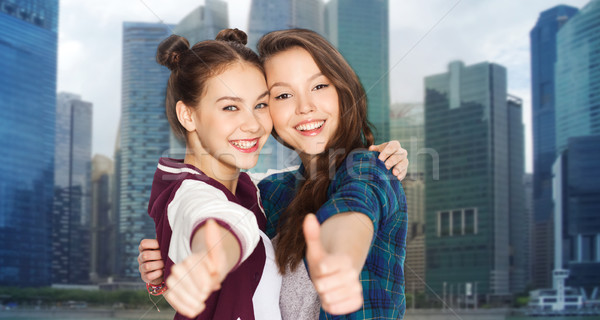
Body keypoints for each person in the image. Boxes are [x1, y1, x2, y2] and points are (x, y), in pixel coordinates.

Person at [140, 29, 408, 319]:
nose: (305, 107)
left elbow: (354, 212)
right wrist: (177, 264)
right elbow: (214, 220)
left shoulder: (368, 170)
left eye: (319, 87)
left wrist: (341, 259)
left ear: (344, 89)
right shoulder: (271, 192)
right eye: (282, 95)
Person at [148, 29, 282, 320]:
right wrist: (208, 260)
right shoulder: (188, 195)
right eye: (230, 107)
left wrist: (368, 157)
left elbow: (304, 176)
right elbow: (212, 219)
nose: (254, 125)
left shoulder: (248, 189)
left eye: (261, 105)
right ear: (188, 115)